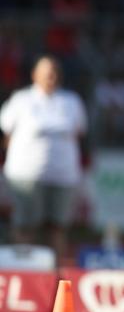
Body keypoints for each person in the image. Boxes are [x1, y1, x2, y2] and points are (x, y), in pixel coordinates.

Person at [0, 56, 87, 264]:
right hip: (26, 175)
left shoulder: (71, 101)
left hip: (63, 176)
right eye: (46, 71)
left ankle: (56, 277)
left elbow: (79, 134)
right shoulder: (21, 100)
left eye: (55, 71)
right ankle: (25, 272)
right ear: (34, 75)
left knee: (57, 227)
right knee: (26, 225)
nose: (51, 75)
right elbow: (6, 135)